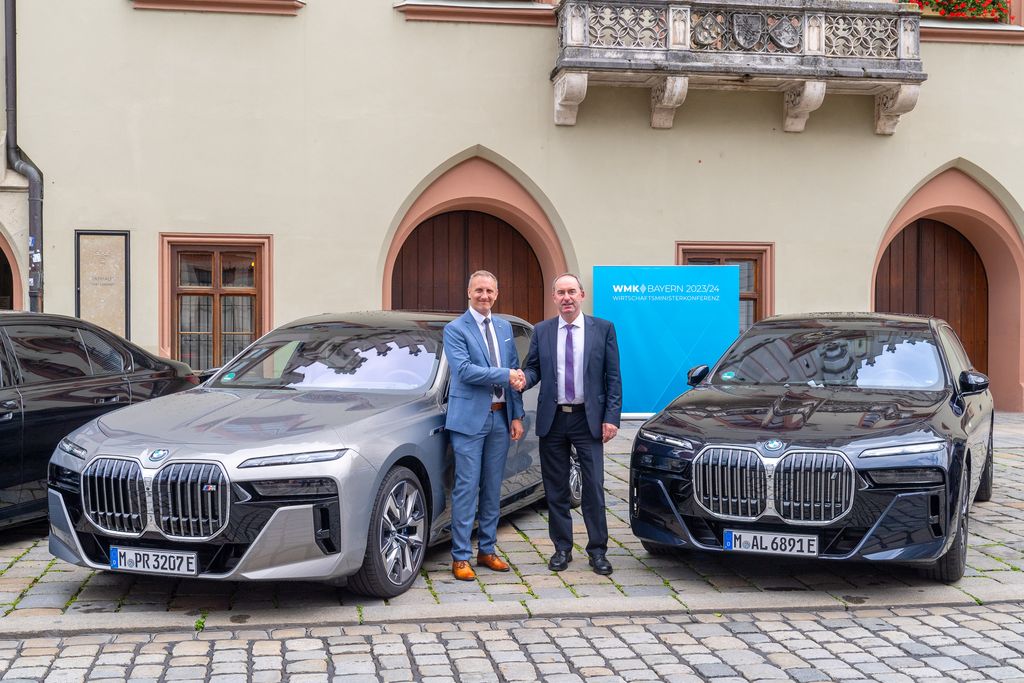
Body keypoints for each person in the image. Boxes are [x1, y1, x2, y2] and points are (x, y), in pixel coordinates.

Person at [521, 273, 622, 575]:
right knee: (556, 489)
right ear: (554, 297)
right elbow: (534, 368)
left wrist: (611, 417)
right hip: (553, 420)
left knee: (592, 487)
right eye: (560, 293)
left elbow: (613, 377)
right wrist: (522, 379)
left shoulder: (602, 329)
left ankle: (597, 551)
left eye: (571, 292)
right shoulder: (542, 331)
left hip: (587, 419)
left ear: (582, 295)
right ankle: (561, 549)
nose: (566, 297)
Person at [443, 270, 526, 581]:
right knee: (466, 488)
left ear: (497, 293)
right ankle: (460, 556)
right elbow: (464, 371)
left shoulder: (503, 327)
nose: (484, 296)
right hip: (468, 421)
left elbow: (515, 373)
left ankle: (487, 549)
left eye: (490, 291)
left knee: (493, 487)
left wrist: (516, 414)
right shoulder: (455, 329)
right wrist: (505, 375)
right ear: (468, 292)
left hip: (500, 417)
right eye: (479, 290)